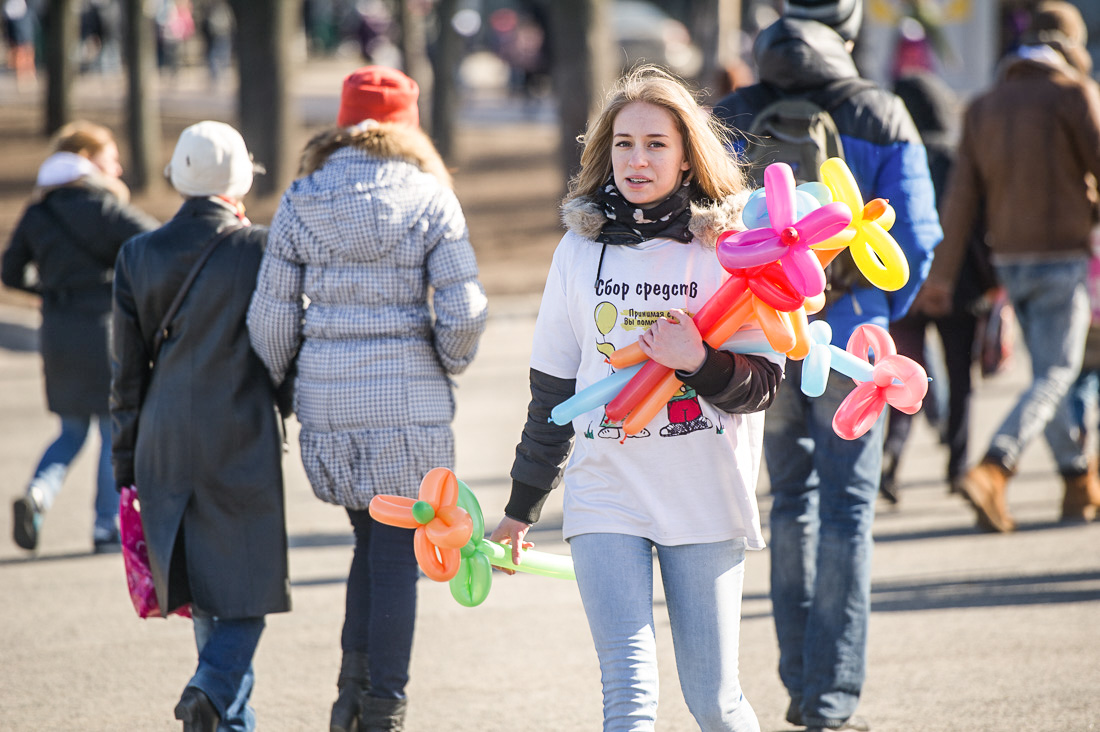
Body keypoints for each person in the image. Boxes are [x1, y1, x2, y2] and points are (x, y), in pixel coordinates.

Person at [491, 65, 784, 732]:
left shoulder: (729, 251)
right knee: (628, 692)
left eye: (656, 143)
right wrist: (520, 507)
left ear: (687, 158)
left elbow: (763, 385)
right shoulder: (578, 250)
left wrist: (701, 364)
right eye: (623, 143)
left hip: (703, 494)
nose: (637, 159)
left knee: (713, 700)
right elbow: (551, 394)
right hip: (606, 491)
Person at [713, 1, 942, 729]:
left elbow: (706, 221)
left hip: (765, 338)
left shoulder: (733, 109)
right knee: (847, 509)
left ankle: (801, 682)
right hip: (851, 347)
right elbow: (917, 238)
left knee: (792, 502)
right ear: (847, 32)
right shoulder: (880, 111)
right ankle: (832, 701)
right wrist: (872, 306)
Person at [247, 66, 488, 732]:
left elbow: (268, 320)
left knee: (368, 542)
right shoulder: (432, 198)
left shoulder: (301, 197)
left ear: (343, 123)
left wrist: (292, 381)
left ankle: (349, 697)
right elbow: (464, 313)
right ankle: (385, 706)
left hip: (328, 403)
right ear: (409, 127)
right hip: (406, 405)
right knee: (394, 553)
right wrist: (446, 365)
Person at [110, 121, 290, 732]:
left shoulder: (137, 254)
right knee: (247, 594)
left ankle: (218, 712)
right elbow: (281, 347)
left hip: (162, 442)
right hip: (238, 437)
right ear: (240, 180)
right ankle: (210, 689)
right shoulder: (260, 248)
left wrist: (124, 469)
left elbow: (126, 379)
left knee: (211, 599)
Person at [921, 1, 1100, 531]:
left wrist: (943, 278)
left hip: (1010, 263)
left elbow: (960, 201)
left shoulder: (983, 107)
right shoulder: (1074, 96)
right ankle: (996, 465)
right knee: (1056, 374)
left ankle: (1075, 482)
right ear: (1072, 46)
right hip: (1063, 257)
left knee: (1048, 373)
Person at [2, 120, 158, 554]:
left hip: (56, 330)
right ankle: (106, 526)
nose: (119, 167)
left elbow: (10, 271)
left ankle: (38, 495)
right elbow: (157, 242)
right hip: (107, 330)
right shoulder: (105, 207)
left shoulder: (40, 211)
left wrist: (49, 289)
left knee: (70, 431)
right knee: (113, 433)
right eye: (111, 158)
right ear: (87, 161)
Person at [880, 70, 998, 502]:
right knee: (960, 381)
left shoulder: (894, 156)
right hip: (960, 289)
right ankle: (958, 468)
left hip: (904, 286)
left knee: (902, 377)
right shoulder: (955, 158)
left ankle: (890, 460)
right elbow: (978, 223)